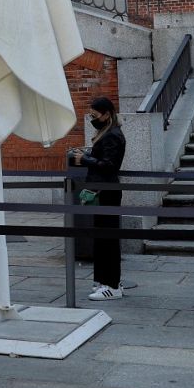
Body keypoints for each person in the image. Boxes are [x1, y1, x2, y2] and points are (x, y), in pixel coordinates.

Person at [73, 97, 126, 301]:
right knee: (103, 238)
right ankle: (105, 281)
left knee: (108, 239)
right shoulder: (107, 133)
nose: (92, 119)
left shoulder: (113, 135)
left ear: (107, 114)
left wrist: (84, 159)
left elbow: (110, 165)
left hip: (107, 191)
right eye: (90, 116)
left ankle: (112, 284)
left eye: (95, 116)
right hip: (102, 190)